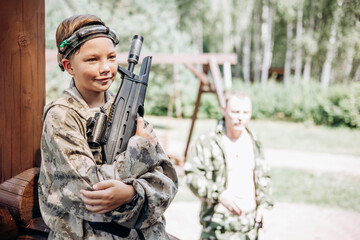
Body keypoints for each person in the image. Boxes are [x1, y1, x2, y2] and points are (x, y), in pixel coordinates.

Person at [38, 14, 178, 239]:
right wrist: (138, 150)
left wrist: (131, 192)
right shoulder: (61, 117)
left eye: (111, 57)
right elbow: (90, 191)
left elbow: (167, 180)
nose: (105, 67)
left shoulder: (124, 106)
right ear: (69, 66)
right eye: (92, 60)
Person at [184, 92, 273, 240]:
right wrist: (218, 195)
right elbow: (192, 175)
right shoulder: (207, 141)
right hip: (217, 228)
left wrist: (264, 206)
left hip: (249, 228)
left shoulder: (254, 142)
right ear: (224, 109)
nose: (241, 117)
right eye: (235, 112)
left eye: (246, 112)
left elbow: (264, 177)